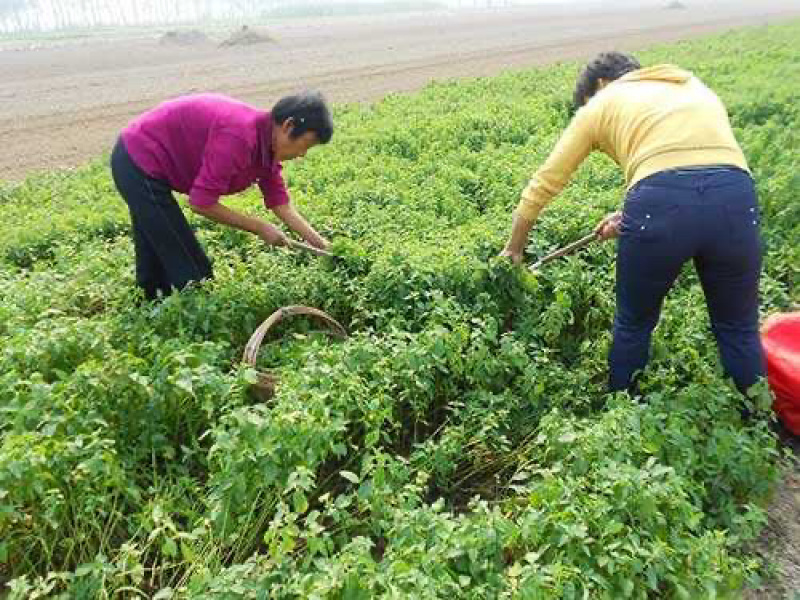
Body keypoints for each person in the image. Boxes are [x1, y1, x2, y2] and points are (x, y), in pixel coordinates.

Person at [501, 52, 765, 394]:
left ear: (599, 85)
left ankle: (622, 411)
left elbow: (546, 182)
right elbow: (697, 164)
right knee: (738, 327)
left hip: (659, 205)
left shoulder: (601, 102)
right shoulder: (689, 84)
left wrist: (514, 249)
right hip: (736, 198)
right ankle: (760, 421)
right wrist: (633, 215)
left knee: (633, 324)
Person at [111, 91, 332, 300]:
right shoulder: (239, 136)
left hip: (143, 161)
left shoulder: (268, 149)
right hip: (138, 159)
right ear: (288, 126)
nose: (303, 154)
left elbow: (281, 205)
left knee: (156, 254)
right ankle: (191, 327)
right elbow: (201, 203)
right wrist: (259, 227)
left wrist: (323, 246)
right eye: (306, 144)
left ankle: (149, 304)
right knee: (194, 273)